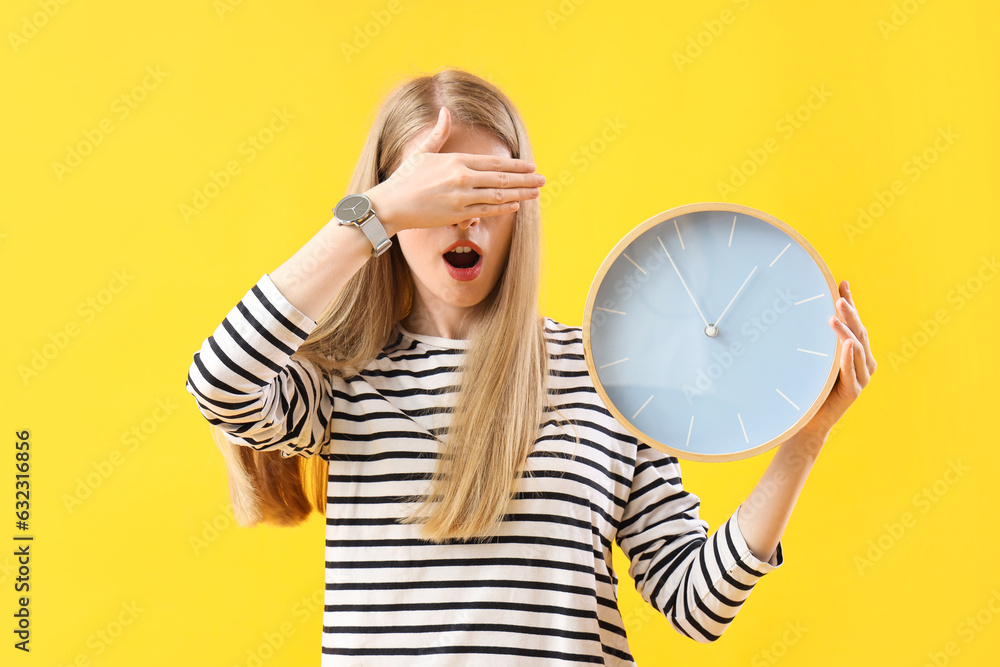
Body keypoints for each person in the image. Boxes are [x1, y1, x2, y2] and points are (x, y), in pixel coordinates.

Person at [184, 67, 876, 665]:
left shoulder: (605, 373)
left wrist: (803, 441)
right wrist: (376, 212)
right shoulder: (344, 385)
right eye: (441, 196)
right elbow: (218, 384)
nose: (467, 221)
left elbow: (696, 603)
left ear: (524, 211)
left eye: (488, 193)